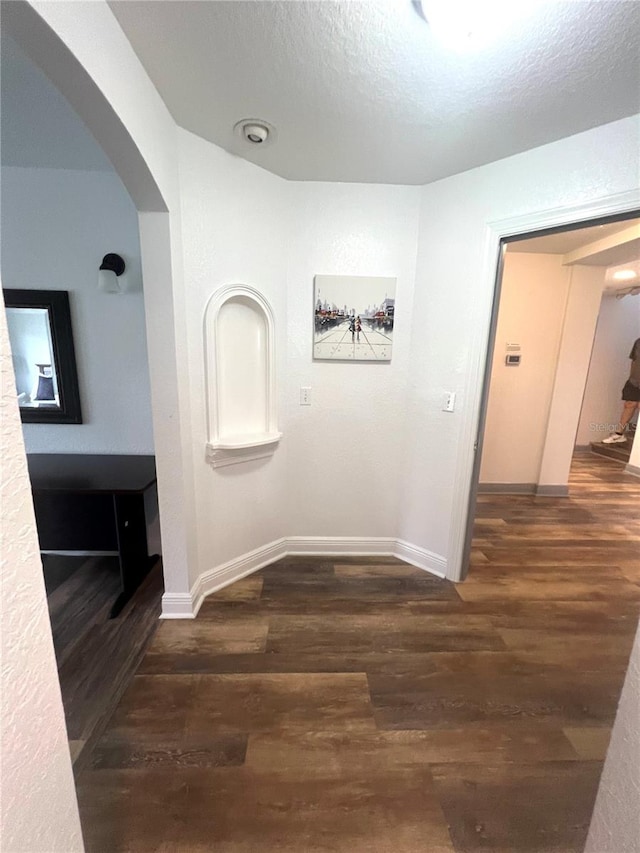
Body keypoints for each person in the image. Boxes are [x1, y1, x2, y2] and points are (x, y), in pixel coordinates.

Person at [602, 337, 640, 443]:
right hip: (634, 381)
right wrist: (632, 377)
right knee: (629, 404)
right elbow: (634, 361)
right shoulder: (638, 342)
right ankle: (619, 434)